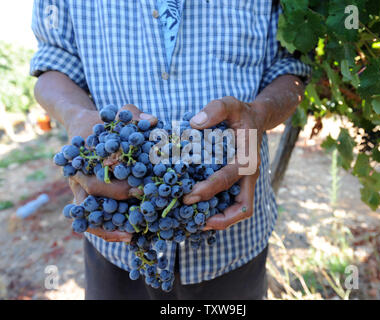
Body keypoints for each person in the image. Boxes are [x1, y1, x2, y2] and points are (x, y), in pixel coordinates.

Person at [30, 0, 311, 300]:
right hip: (119, 243)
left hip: (234, 242)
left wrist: (258, 114)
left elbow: (290, 66)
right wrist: (79, 117)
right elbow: (54, 61)